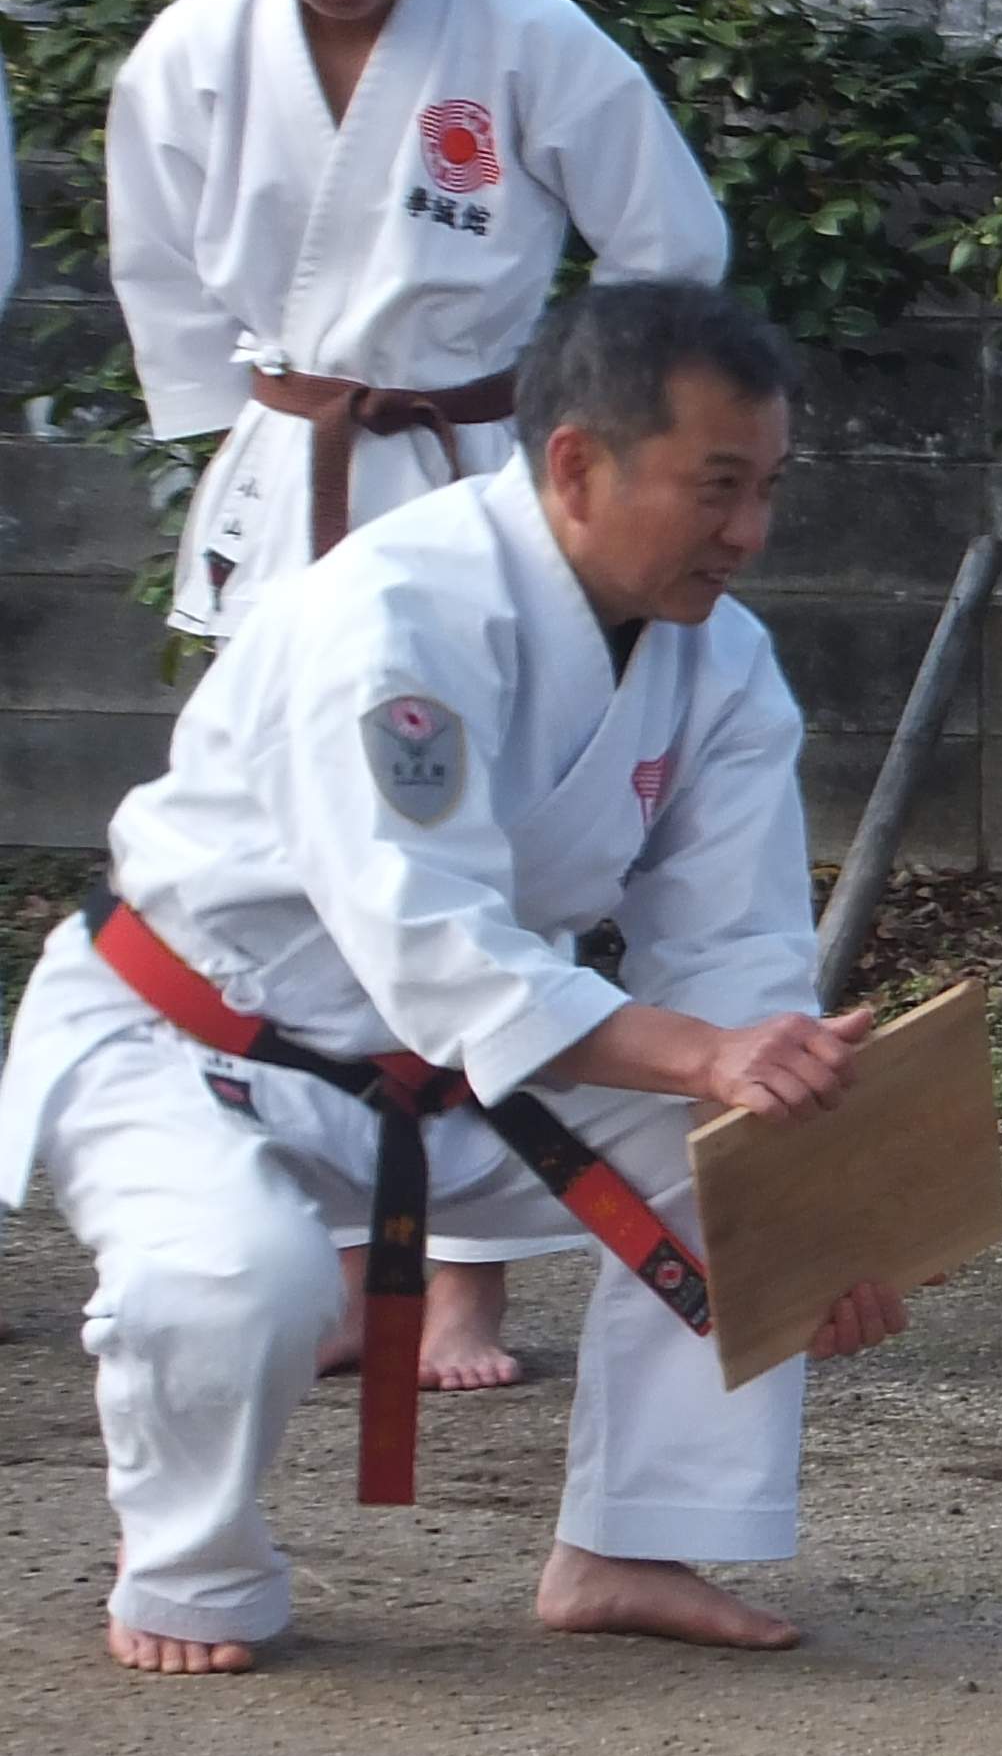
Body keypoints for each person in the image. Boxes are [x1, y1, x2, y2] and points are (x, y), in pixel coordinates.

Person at [0, 279, 910, 1672]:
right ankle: (190, 1565)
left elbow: (736, 947)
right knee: (240, 1279)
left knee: (745, 1155)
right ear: (576, 465)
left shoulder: (721, 661)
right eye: (718, 488)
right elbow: (426, 935)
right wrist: (703, 1055)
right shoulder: (393, 614)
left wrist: (807, 1203)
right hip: (192, 1047)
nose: (750, 533)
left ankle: (629, 1542)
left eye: (769, 489)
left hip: (445, 1079)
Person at [106, 0, 731, 1399]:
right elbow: (163, 285)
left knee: (486, 863)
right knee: (298, 869)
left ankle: (464, 1284)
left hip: (478, 474)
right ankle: (324, 1244)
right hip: (294, 472)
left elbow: (672, 249)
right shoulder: (189, 59)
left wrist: (592, 435)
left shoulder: (528, 39)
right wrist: (240, 453)